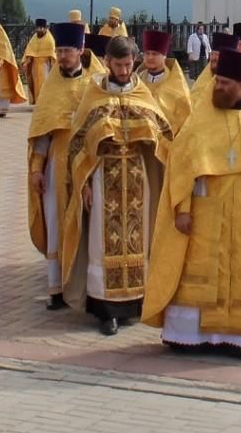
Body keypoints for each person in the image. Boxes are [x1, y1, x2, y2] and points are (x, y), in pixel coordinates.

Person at [144, 47, 241, 361]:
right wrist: (182, 210)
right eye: (218, 81)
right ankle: (188, 336)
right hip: (204, 211)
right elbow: (182, 167)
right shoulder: (200, 119)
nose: (219, 87)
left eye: (226, 83)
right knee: (197, 271)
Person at [61, 35, 174, 335]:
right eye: (118, 65)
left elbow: (164, 135)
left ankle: (136, 302)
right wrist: (82, 183)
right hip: (102, 177)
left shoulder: (143, 94)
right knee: (102, 241)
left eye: (128, 65)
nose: (124, 71)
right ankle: (106, 310)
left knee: (138, 240)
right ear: (107, 62)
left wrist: (146, 133)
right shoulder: (93, 94)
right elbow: (76, 146)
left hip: (138, 178)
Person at [27, 21, 91, 309]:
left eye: (67, 51)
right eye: (59, 51)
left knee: (84, 223)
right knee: (55, 222)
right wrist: (36, 169)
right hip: (56, 163)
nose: (62, 56)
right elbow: (41, 133)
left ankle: (82, 284)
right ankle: (56, 289)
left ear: (81, 51)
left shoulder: (94, 85)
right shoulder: (50, 87)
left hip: (86, 165)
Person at [138, 30, 191, 135]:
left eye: (155, 54)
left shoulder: (177, 86)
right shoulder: (136, 81)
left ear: (164, 55)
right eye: (147, 53)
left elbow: (185, 124)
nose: (150, 57)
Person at [21, 18, 57, 103]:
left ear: (45, 28)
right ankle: (37, 101)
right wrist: (26, 62)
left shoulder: (49, 39)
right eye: (38, 28)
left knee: (44, 84)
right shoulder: (33, 39)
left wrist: (53, 68)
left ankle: (45, 102)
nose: (40, 30)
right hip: (34, 66)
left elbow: (52, 56)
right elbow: (29, 52)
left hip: (45, 66)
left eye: (42, 28)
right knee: (35, 84)